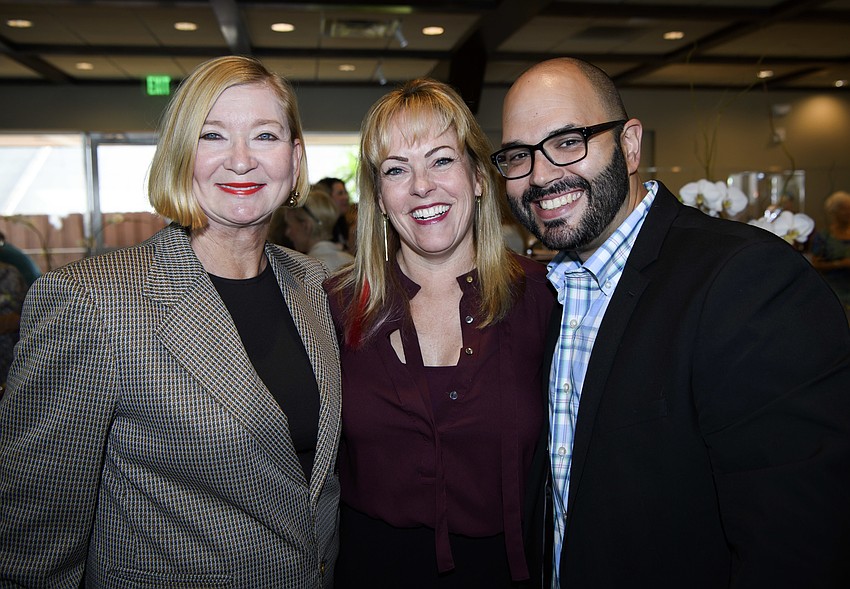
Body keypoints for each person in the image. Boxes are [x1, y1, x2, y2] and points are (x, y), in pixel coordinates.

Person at [492, 57, 850, 588]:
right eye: (519, 156)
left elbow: (800, 539)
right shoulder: (550, 292)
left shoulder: (745, 280)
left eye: (568, 141)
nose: (541, 175)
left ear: (630, 145)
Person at [0, 55, 342, 588]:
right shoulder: (94, 303)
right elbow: (31, 540)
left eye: (266, 136)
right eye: (212, 136)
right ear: (181, 154)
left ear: (295, 158)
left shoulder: (314, 285)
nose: (241, 160)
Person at [324, 78, 557, 588]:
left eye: (441, 160)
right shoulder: (334, 307)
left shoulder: (545, 298)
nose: (422, 185)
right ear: (380, 198)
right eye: (396, 170)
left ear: (477, 175)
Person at [285, 188, 355, 272]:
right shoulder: (351, 261)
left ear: (306, 226)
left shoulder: (304, 270)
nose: (287, 233)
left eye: (290, 226)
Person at [809, 190, 850, 319]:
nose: (848, 212)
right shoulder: (824, 237)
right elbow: (815, 264)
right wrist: (839, 264)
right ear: (834, 211)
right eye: (844, 209)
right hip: (835, 292)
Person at [316, 177, 355, 251]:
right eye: (340, 193)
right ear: (326, 198)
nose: (346, 197)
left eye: (346, 193)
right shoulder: (321, 232)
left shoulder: (343, 224)